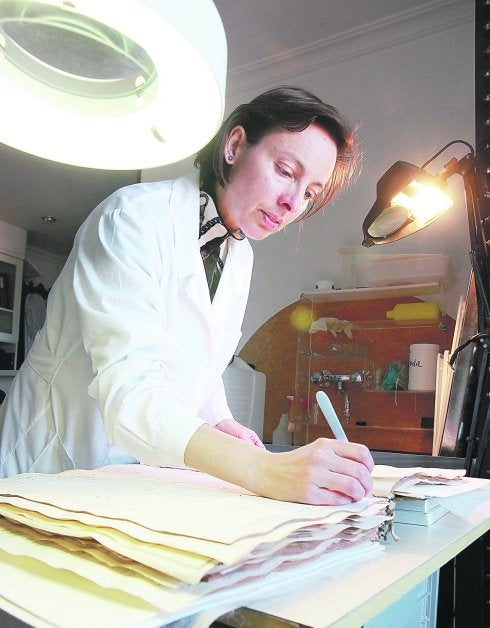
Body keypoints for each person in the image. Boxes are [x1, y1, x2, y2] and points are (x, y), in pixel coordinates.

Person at [0, 85, 373, 507]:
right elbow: (132, 392)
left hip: (126, 479)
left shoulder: (239, 255)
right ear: (234, 145)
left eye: (309, 193)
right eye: (286, 171)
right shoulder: (133, 218)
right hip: (47, 465)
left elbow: (202, 365)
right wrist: (264, 469)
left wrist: (220, 421)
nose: (292, 204)